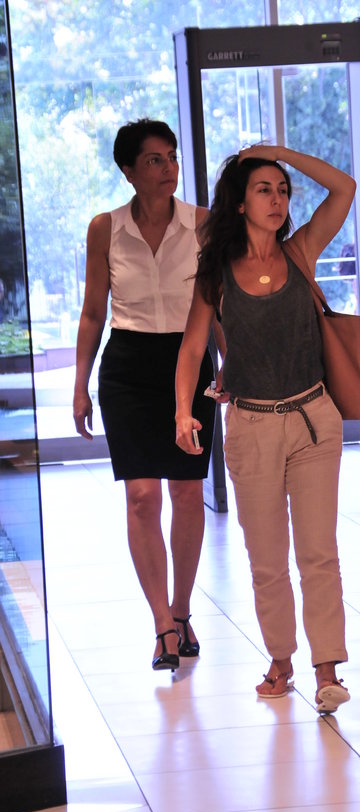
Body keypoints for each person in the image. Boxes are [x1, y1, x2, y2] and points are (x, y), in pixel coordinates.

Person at [175, 145, 356, 713]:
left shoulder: (300, 251)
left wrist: (277, 152)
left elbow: (345, 188)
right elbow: (193, 347)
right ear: (240, 202)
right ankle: (281, 659)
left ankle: (327, 669)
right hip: (251, 424)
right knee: (267, 559)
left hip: (313, 419)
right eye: (263, 189)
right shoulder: (217, 272)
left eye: (282, 190)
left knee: (319, 552)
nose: (277, 199)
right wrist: (183, 410)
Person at [73, 118, 222, 671]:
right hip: (128, 367)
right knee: (141, 496)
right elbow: (93, 311)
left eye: (172, 157)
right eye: (155, 159)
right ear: (129, 170)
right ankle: (161, 623)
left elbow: (217, 306)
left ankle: (182, 610)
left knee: (186, 491)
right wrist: (80, 385)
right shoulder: (105, 228)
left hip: (189, 360)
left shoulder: (202, 224)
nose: (168, 168)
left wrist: (231, 364)